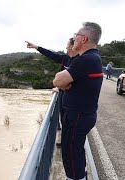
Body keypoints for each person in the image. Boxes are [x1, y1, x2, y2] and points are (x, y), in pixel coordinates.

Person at [53, 22, 103, 180]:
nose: (73, 39)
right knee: (74, 152)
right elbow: (63, 82)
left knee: (72, 154)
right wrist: (65, 84)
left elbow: (57, 80)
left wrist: (64, 84)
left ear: (84, 39)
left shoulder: (86, 59)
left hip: (78, 117)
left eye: (76, 36)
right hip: (79, 115)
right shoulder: (90, 58)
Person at [25, 38, 78, 133]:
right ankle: (64, 137)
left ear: (71, 46)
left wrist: (61, 87)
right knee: (63, 118)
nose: (66, 46)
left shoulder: (79, 61)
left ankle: (68, 140)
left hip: (72, 96)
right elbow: (51, 54)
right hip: (63, 93)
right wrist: (36, 47)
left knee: (70, 122)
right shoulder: (65, 58)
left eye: (67, 44)